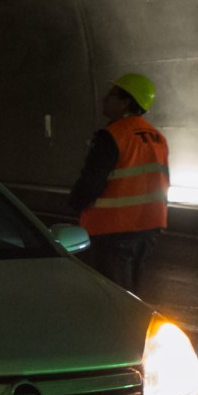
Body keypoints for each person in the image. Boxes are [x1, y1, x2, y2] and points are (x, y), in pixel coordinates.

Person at [69, 73, 170, 294]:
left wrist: (75, 202)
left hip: (114, 228)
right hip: (149, 226)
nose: (105, 98)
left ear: (126, 101)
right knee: (131, 292)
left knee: (113, 296)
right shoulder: (157, 137)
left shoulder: (112, 135)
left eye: (112, 94)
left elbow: (92, 180)